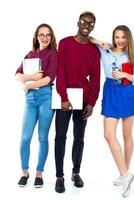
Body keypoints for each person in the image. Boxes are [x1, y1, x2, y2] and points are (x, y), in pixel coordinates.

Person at [90, 25, 134, 197]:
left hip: (127, 93)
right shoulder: (106, 50)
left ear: (128, 39)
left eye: (123, 37)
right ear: (113, 38)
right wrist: (102, 43)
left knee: (127, 136)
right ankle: (126, 175)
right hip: (111, 92)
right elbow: (89, 39)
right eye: (117, 37)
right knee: (108, 134)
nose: (120, 40)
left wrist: (124, 75)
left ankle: (124, 173)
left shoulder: (132, 54)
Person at [54, 11, 100, 193]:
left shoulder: (94, 50)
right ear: (78, 23)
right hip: (65, 96)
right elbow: (61, 72)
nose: (87, 25)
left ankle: (75, 172)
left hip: (83, 97)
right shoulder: (65, 43)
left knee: (79, 138)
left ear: (93, 26)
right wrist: (64, 98)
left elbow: (96, 78)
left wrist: (91, 102)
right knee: (60, 136)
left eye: (91, 23)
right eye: (84, 22)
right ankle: (59, 176)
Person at [16, 23, 57, 188]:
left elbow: (49, 79)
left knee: (42, 137)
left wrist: (28, 85)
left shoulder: (54, 54)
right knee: (25, 138)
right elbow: (17, 74)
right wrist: (31, 76)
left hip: (46, 97)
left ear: (51, 37)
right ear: (36, 37)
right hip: (30, 100)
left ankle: (39, 173)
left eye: (48, 35)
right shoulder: (30, 54)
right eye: (42, 35)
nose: (45, 38)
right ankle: (25, 172)